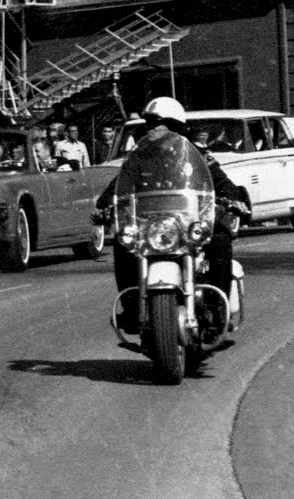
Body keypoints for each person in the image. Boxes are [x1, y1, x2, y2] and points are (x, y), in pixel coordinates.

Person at [95, 97, 249, 335]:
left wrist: (234, 199)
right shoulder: (140, 157)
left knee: (219, 237)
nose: (151, 128)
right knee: (123, 244)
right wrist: (105, 205)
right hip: (152, 225)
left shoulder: (195, 154)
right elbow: (118, 187)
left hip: (188, 223)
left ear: (174, 125)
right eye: (148, 123)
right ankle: (132, 308)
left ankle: (217, 309)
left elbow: (220, 181)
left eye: (157, 122)